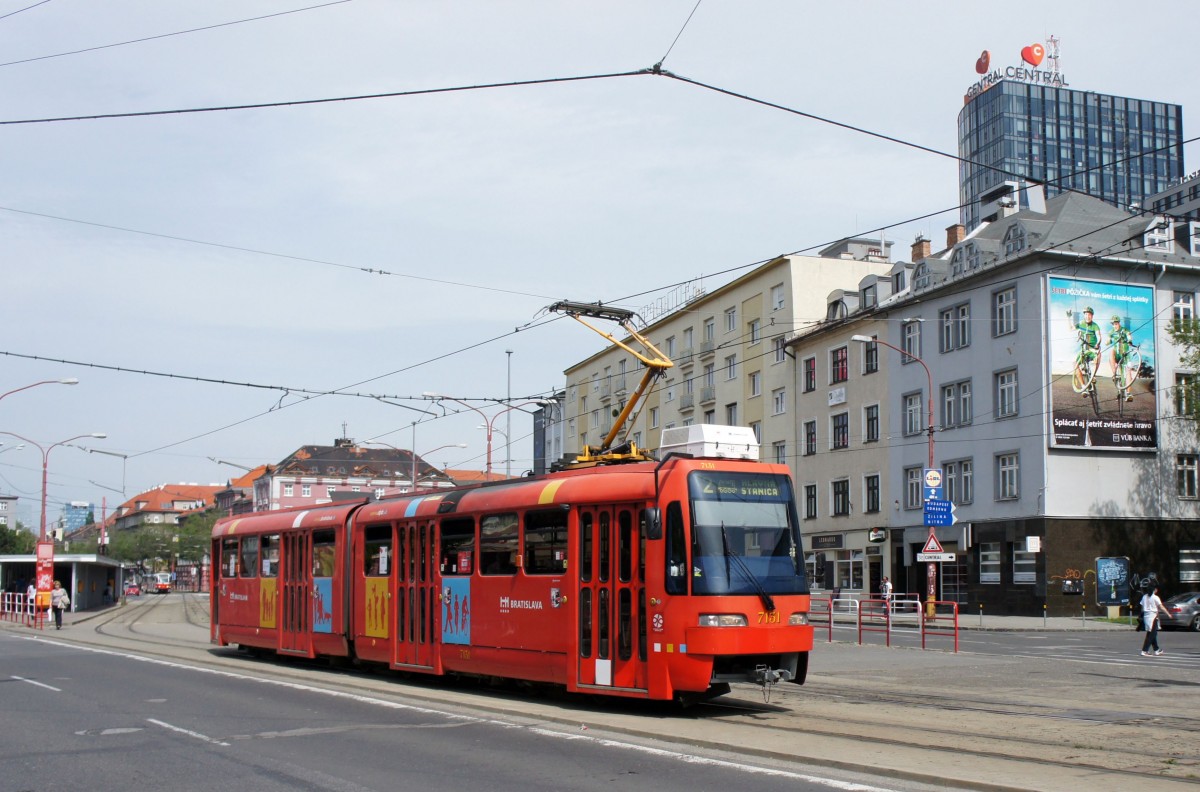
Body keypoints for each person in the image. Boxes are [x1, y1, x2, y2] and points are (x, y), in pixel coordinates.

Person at [1067, 306, 1102, 391]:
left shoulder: (1095, 326)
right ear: (1084, 315)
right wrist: (1068, 318)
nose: (1087, 316)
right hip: (1083, 350)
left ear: (1092, 316)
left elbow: (1099, 336)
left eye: (1089, 314)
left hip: (1092, 349)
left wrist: (1098, 343)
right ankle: (1083, 386)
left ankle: (1093, 376)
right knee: (1074, 364)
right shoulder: (1081, 323)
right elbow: (1071, 329)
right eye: (1086, 314)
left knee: (1099, 355)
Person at [1109, 315, 1135, 401]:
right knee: (1111, 352)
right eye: (1113, 324)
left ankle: (1128, 393)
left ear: (1119, 323)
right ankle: (1115, 374)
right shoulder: (1111, 332)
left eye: (1116, 324)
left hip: (1125, 355)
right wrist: (1107, 341)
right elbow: (1108, 340)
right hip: (1117, 355)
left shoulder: (1124, 330)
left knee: (1128, 372)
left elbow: (1129, 336)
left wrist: (1130, 340)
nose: (1115, 325)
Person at [1139, 585, 1169, 656]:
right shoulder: (1155, 597)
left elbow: (1142, 607)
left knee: (1152, 633)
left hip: (1146, 616)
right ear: (1154, 590)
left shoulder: (1144, 597)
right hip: (1153, 616)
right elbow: (1161, 606)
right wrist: (1168, 614)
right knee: (1152, 634)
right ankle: (1144, 650)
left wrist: (1141, 615)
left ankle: (1156, 649)